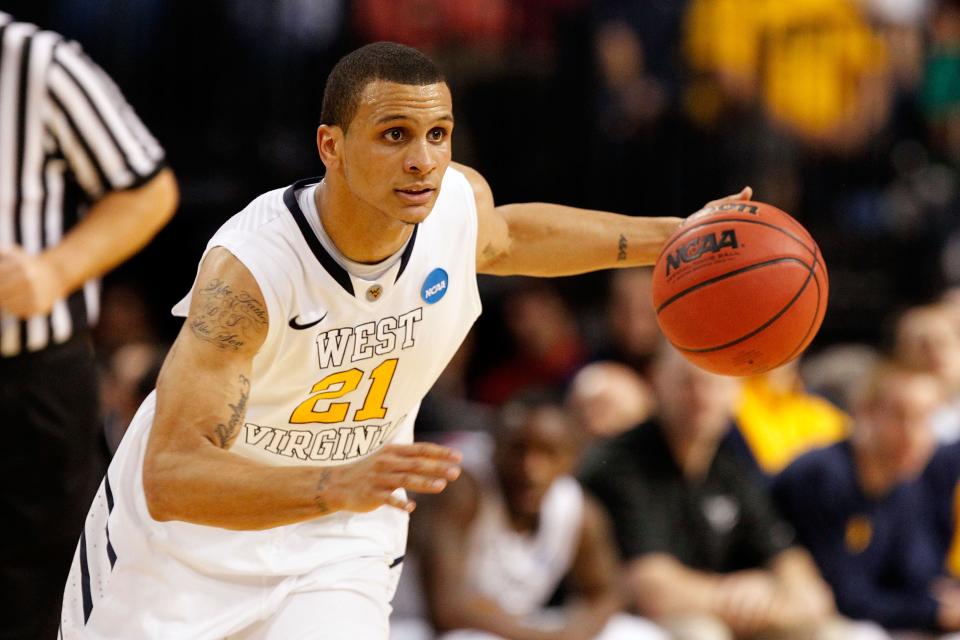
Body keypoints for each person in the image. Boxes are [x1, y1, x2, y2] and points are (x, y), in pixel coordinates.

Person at [60, 42, 748, 638]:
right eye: (394, 135)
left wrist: (675, 236)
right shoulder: (252, 273)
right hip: (186, 557)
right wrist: (334, 480)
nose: (423, 160)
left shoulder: (453, 205)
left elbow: (509, 237)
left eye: (438, 134)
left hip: (338, 540)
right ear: (331, 145)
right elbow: (171, 475)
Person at [0, 12, 178, 640]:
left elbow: (149, 189)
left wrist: (55, 270)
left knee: (35, 596)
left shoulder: (35, 62)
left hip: (25, 382)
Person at [579, 344, 855, 640]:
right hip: (620, 620)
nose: (701, 397)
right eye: (687, 383)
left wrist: (767, 594)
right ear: (657, 384)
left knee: (834, 634)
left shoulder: (732, 461)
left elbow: (795, 568)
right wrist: (741, 597)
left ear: (735, 394)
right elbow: (650, 589)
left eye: (713, 384)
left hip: (720, 609)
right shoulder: (620, 463)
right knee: (702, 633)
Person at [414, 396, 667, 640]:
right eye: (518, 449)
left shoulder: (577, 509)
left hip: (519, 627)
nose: (531, 469)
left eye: (549, 453)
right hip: (419, 626)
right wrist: (544, 638)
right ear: (495, 445)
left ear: (572, 459)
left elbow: (606, 595)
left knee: (637, 633)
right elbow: (447, 610)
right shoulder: (460, 489)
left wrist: (575, 633)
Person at [774, 362, 960, 636]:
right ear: (864, 412)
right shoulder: (823, 476)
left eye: (924, 419)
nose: (912, 433)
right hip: (784, 608)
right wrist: (933, 612)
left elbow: (919, 573)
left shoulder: (906, 482)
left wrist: (946, 598)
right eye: (899, 416)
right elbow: (842, 594)